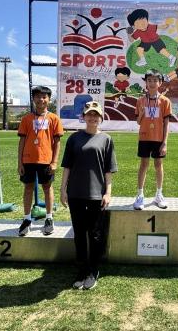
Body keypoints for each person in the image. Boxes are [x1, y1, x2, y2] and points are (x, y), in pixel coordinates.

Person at [61, 101, 117, 290]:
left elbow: (108, 170)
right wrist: (63, 189)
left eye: (96, 115)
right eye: (89, 114)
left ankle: (93, 270)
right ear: (83, 116)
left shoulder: (106, 139)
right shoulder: (74, 138)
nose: (92, 117)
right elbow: (67, 166)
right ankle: (82, 270)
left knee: (95, 234)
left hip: (96, 195)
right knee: (79, 233)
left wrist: (108, 192)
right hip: (76, 193)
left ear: (100, 118)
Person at [17, 86, 64, 236]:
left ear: (49, 99)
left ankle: (49, 218)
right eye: (37, 96)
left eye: (44, 97)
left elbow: (57, 142)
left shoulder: (54, 118)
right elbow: (22, 141)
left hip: (46, 160)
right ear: (33, 99)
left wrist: (54, 162)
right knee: (28, 188)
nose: (41, 99)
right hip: (28, 160)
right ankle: (26, 219)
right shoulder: (26, 119)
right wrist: (20, 163)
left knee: (47, 188)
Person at [133, 69, 172, 210]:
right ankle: (140, 195)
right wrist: (142, 113)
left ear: (160, 83)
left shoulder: (165, 101)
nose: (152, 83)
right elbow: (138, 122)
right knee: (143, 165)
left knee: (158, 165)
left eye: (155, 80)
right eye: (149, 80)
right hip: (144, 137)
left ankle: (159, 194)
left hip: (158, 138)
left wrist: (165, 142)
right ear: (146, 82)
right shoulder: (140, 101)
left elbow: (166, 124)